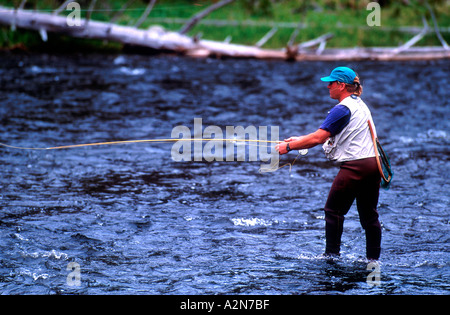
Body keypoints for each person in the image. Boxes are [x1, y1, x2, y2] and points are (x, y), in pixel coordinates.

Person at [275, 66, 382, 261]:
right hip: (373, 165)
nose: (328, 86)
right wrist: (297, 141)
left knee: (333, 211)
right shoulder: (359, 104)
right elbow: (329, 134)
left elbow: (318, 138)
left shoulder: (342, 109)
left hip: (355, 167)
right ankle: (373, 264)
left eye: (331, 83)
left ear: (341, 85)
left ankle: (331, 259)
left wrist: (289, 148)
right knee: (369, 216)